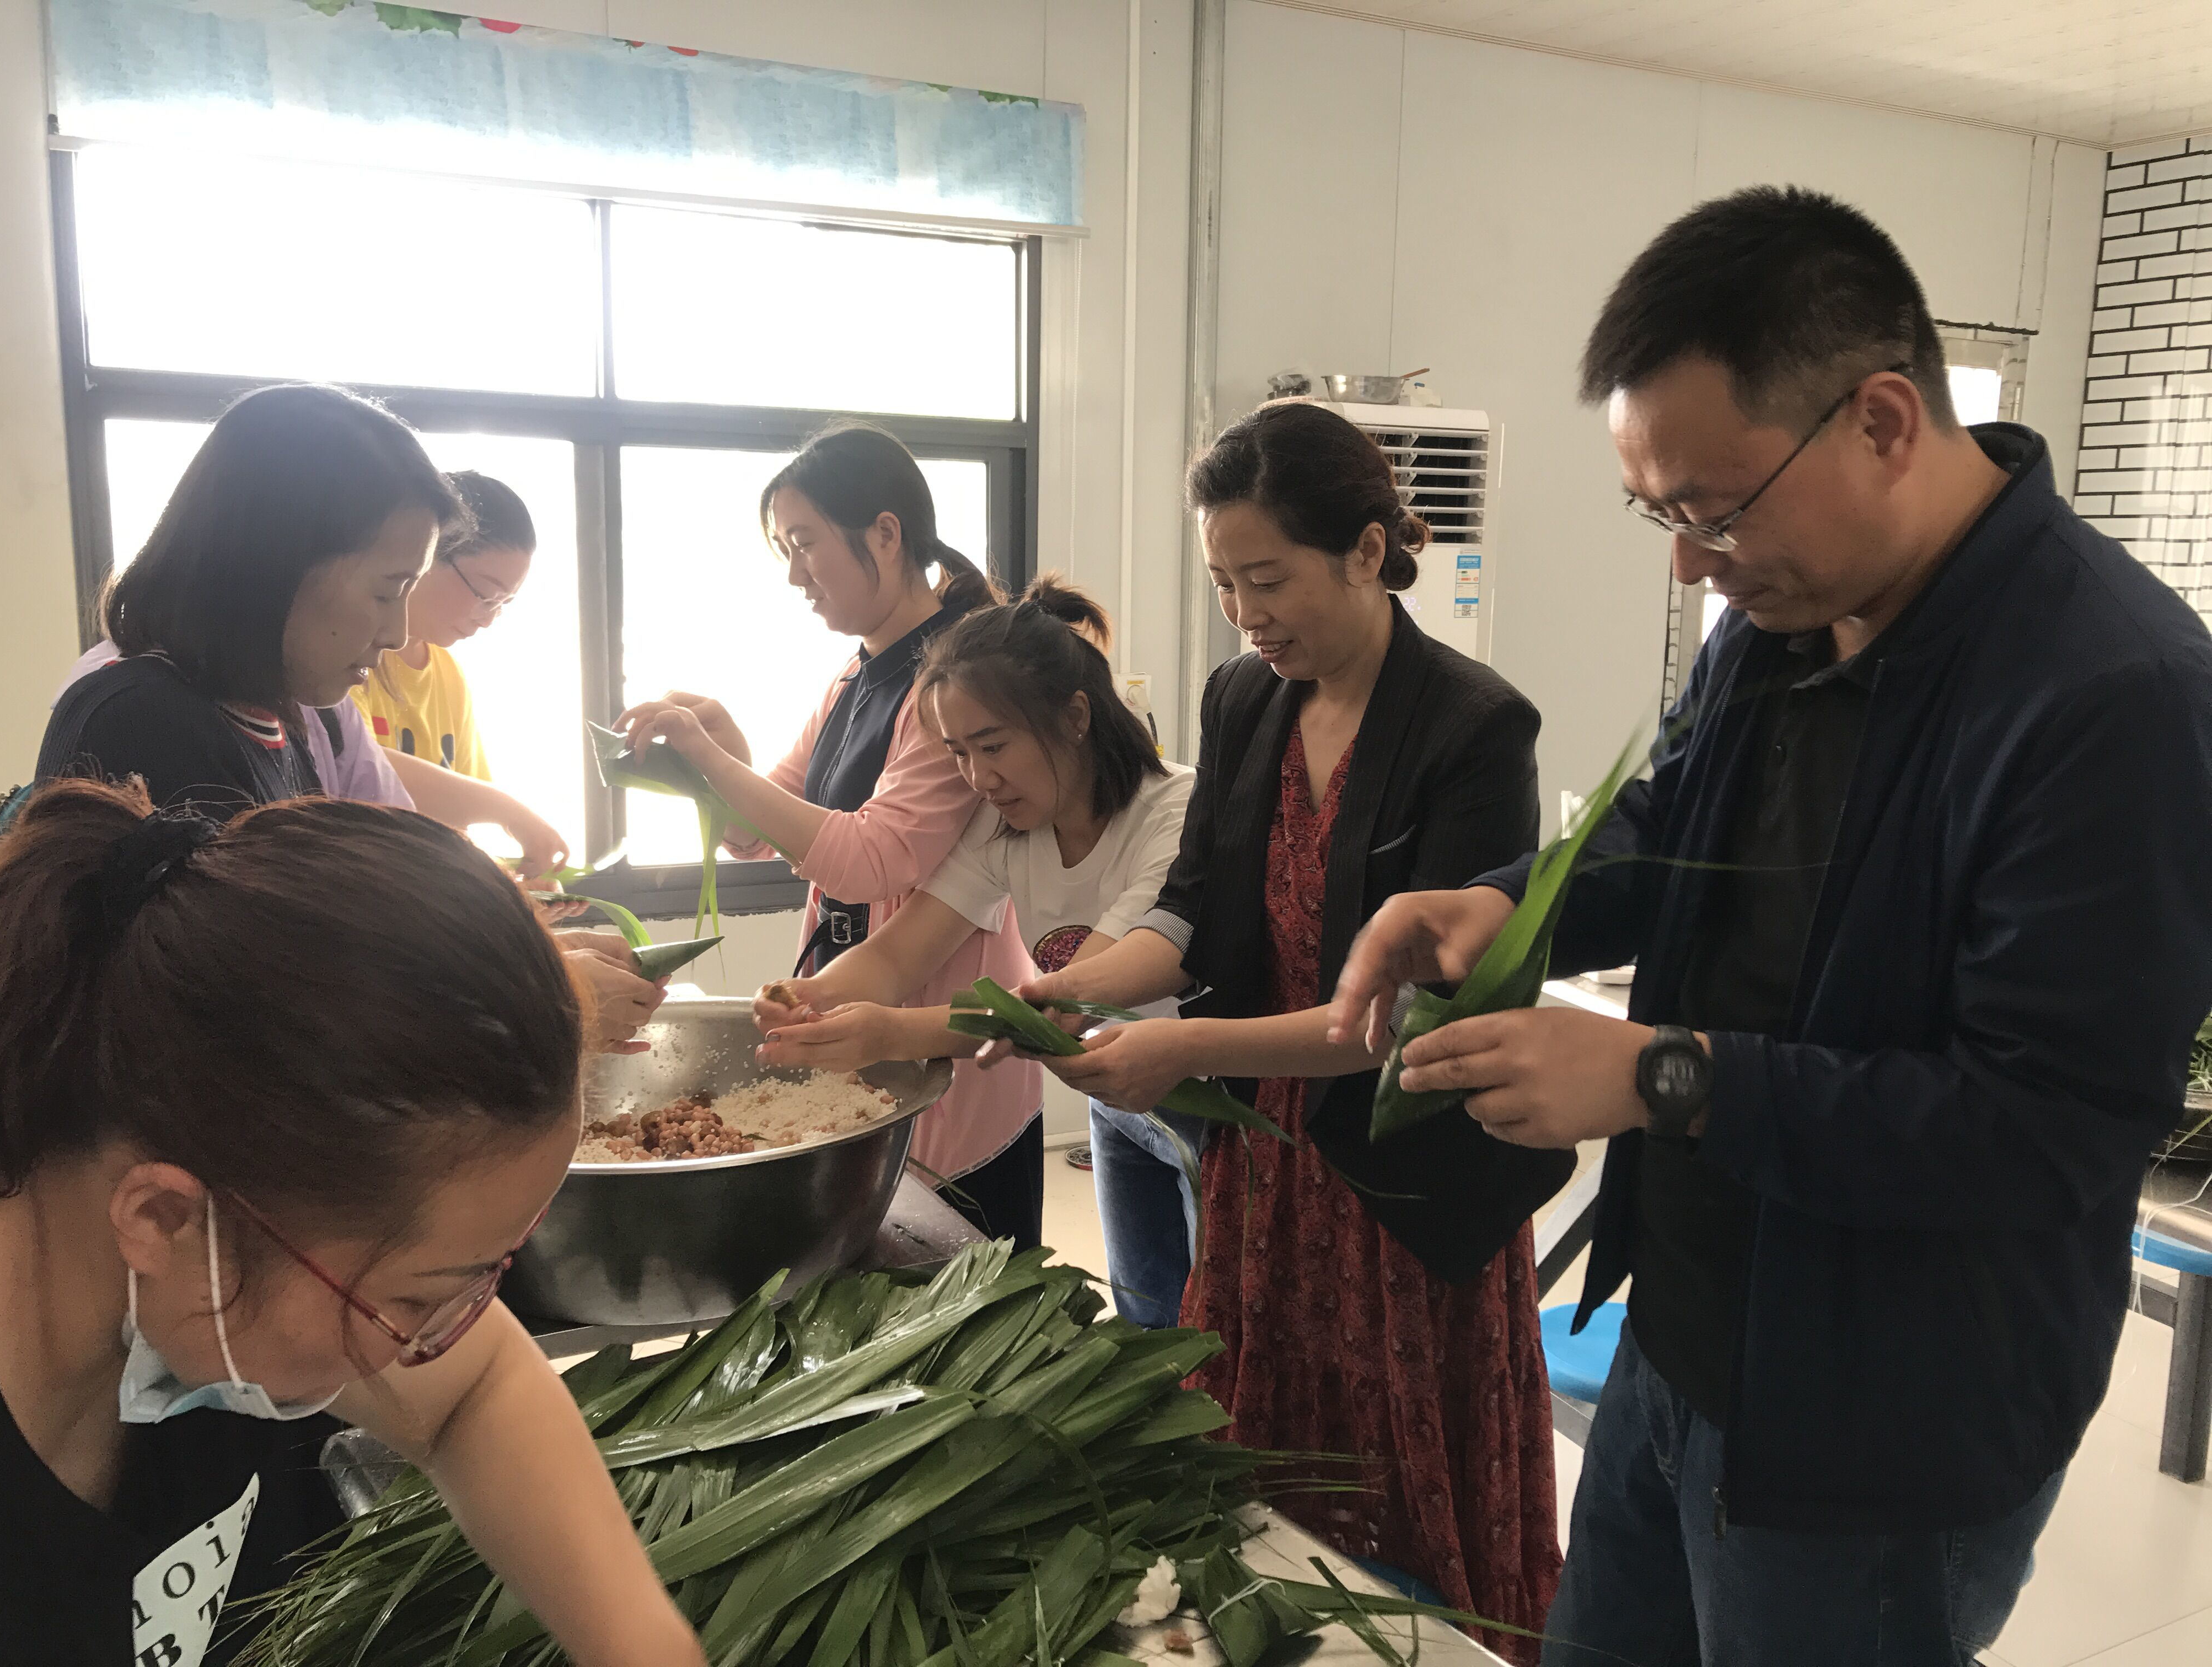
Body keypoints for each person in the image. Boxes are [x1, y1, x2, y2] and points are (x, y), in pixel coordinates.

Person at [1327, 187, 2212, 1667]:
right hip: (1682, 1339)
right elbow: (1674, 823)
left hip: (1881, 1430)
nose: (1691, 562)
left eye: (1714, 509)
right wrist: (1506, 901)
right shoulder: (1776, 615)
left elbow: (2043, 1129)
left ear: (1883, 422)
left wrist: (1659, 1075)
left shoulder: (2114, 699)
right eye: (1659, 514)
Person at [993, 401, 1559, 1658]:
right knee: (1268, 1475)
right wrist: (1079, 990)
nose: (1245, 612)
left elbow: (1407, 1021)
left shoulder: (1472, 725)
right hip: (1267, 1163)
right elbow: (1195, 909)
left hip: (1400, 1165)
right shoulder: (1244, 696)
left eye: (1268, 577)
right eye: (1222, 582)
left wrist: (1184, 1049)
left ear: (1367, 550)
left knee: (1402, 1486)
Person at [0, 778, 704, 1667]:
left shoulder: (218, 1253)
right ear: (166, 1218)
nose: (425, 1347)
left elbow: (479, 1390)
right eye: (409, 1301)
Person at [36, 383, 660, 1052]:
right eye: (388, 591)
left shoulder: (289, 720)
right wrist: (541, 1000)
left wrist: (535, 957)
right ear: (275, 563)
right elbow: (247, 1013)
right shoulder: (145, 721)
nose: (397, 633)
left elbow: (347, 931)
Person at [618, 423, 1046, 1249]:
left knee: (962, 1272)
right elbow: (764, 833)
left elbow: (869, 859)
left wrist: (713, 759)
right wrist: (720, 755)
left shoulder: (954, 688)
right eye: (786, 549)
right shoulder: (856, 675)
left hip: (949, 1050)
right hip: (858, 1007)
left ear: (885, 534)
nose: (794, 574)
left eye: (805, 543)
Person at [748, 577, 1199, 1322]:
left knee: (1219, 1320)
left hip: (1203, 1096)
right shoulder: (1004, 826)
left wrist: (890, 1033)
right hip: (1116, 1100)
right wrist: (811, 996)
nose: (978, 779)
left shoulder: (1174, 812)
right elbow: (898, 956)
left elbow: (1069, 1004)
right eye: (958, 753)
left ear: (1076, 716)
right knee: (1149, 1317)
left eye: (993, 746)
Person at [355, 469, 530, 778]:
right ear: (427, 552)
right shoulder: (349, 654)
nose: (488, 620)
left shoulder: (449, 676)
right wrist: (505, 806)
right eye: (486, 595)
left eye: (503, 605)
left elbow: (473, 790)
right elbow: (356, 770)